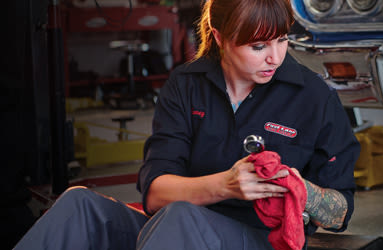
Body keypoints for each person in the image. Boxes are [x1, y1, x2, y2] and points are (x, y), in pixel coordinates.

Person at [14, 0, 360, 249]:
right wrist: (227, 185)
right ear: (219, 36)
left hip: (257, 240)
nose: (275, 57)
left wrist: (302, 191)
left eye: (282, 40)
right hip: (174, 230)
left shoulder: (314, 96)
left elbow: (340, 212)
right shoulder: (185, 85)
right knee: (79, 204)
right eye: (258, 46)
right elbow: (155, 195)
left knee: (181, 217)